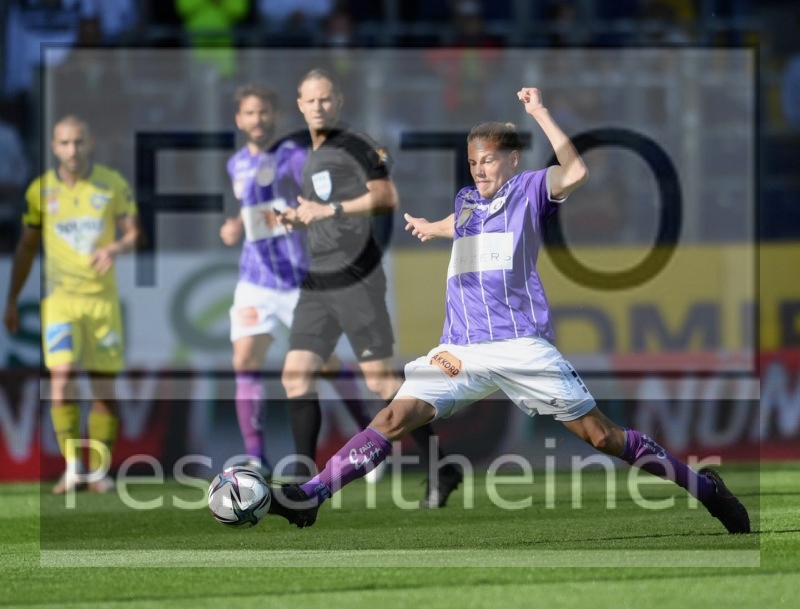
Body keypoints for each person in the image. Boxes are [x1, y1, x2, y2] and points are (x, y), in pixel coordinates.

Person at [266, 87, 751, 535]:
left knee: (602, 436)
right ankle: (312, 496)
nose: (479, 169)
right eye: (474, 161)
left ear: (513, 160)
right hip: (461, 349)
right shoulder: (466, 202)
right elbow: (461, 224)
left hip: (521, 346)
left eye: (490, 161)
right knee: (394, 417)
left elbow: (577, 172)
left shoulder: (531, 191)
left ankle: (705, 489)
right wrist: (430, 228)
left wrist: (539, 113)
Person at [276, 68, 462, 507]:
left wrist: (329, 209)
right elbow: (322, 211)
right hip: (317, 279)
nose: (318, 107)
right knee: (295, 375)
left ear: (337, 101)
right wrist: (297, 217)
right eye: (310, 100)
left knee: (381, 383)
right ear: (299, 105)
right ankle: (305, 483)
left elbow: (385, 197)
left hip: (355, 278)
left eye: (326, 99)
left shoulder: (356, 146)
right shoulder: (311, 153)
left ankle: (441, 467)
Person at [220, 82, 377, 478]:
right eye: (250, 113)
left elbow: (318, 193)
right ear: (239, 119)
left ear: (275, 116)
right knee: (244, 360)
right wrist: (235, 224)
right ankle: (257, 457)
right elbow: (251, 208)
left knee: (324, 365)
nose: (258, 119)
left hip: (298, 282)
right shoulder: (236, 163)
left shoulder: (292, 157)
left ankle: (368, 435)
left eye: (264, 112)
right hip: (254, 279)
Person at [3, 115, 140, 494]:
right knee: (61, 379)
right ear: (53, 147)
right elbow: (27, 246)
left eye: (78, 142)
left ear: (90, 143)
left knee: (102, 390)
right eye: (64, 143)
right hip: (60, 303)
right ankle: (72, 467)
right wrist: (12, 298)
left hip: (101, 304)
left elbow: (134, 234)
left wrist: (115, 247)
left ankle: (98, 470)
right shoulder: (40, 191)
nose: (72, 150)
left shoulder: (112, 185)